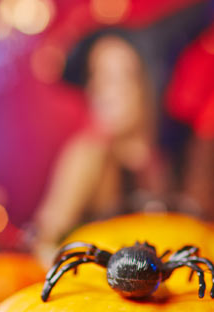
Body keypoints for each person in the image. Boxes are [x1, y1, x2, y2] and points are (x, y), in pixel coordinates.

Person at [31, 33, 170, 263]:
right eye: (96, 74)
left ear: (147, 83)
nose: (99, 87)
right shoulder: (88, 154)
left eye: (117, 76)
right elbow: (46, 242)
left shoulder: (168, 160)